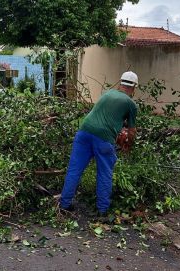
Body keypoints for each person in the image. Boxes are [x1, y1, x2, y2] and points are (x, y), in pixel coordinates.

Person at [59, 71, 138, 217]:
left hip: (83, 132)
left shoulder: (108, 94)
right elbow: (131, 131)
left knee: (74, 170)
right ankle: (103, 211)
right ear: (134, 88)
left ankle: (64, 205)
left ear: (120, 83)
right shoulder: (131, 104)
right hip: (103, 139)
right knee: (104, 173)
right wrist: (128, 145)